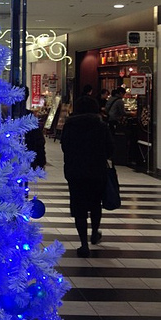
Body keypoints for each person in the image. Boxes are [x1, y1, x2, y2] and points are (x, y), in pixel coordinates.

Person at [61, 95, 114, 257]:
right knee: (96, 204)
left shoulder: (69, 126)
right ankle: (94, 233)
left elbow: (65, 147)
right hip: (97, 171)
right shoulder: (101, 126)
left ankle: (83, 244)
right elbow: (110, 150)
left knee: (79, 208)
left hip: (75, 172)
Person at [22, 86, 46, 170]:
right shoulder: (30, 117)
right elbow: (39, 141)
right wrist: (41, 161)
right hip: (28, 158)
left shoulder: (6, 115)